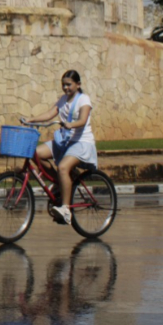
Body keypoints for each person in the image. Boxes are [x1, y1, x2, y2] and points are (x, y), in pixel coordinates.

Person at [23, 70, 97, 226]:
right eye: (63, 84)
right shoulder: (63, 100)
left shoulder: (84, 99)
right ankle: (60, 182)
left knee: (63, 167)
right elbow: (50, 114)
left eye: (69, 84)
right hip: (65, 142)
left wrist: (72, 124)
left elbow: (83, 120)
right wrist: (31, 119)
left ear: (78, 84)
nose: (66, 88)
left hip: (81, 143)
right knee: (35, 153)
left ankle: (66, 209)